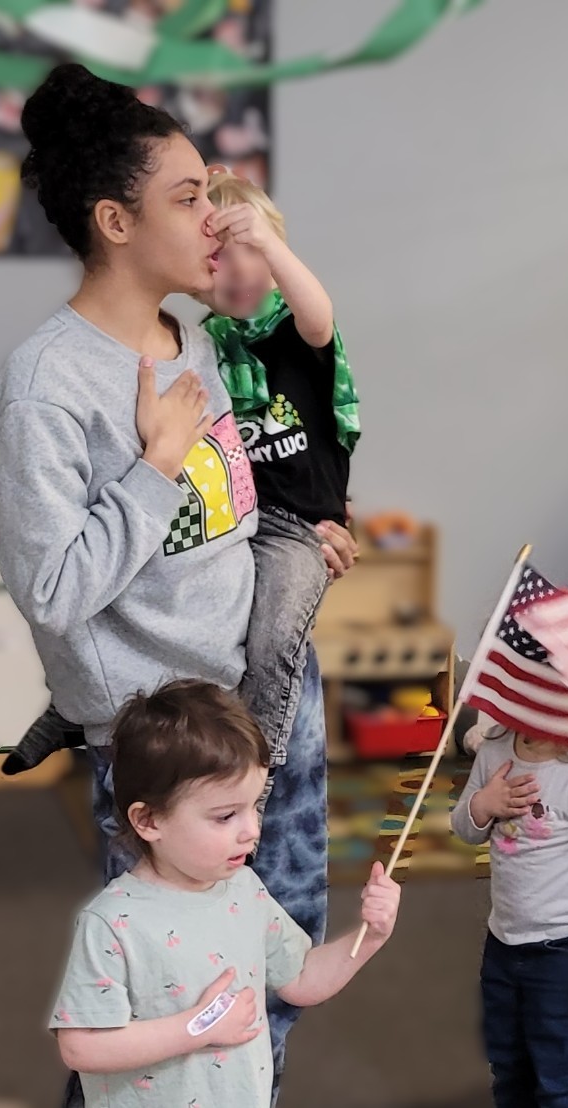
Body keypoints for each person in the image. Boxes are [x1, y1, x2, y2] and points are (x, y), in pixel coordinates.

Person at [0, 63, 357, 1105]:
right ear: (114, 218)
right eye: (187, 197)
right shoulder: (47, 380)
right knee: (161, 1001)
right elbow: (53, 587)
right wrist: (154, 465)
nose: (213, 218)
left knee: (271, 966)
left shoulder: (189, 337)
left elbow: (217, 515)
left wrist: (290, 529)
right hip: (174, 736)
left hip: (267, 697)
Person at [51, 681, 400, 1107]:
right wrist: (199, 1026)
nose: (252, 830)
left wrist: (370, 937)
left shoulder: (245, 890)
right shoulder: (113, 922)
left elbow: (301, 978)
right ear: (149, 821)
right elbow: (81, 1046)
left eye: (253, 806)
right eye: (225, 816)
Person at [201, 167, 360, 811]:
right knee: (226, 644)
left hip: (304, 529)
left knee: (272, 643)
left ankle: (251, 782)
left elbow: (319, 313)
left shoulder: (294, 329)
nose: (237, 270)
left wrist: (266, 241)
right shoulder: (204, 345)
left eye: (254, 253)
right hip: (241, 520)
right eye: (217, 256)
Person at [450, 602, 568, 1108]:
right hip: (504, 940)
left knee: (562, 1073)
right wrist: (482, 807)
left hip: (567, 950)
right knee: (508, 1062)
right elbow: (464, 831)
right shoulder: (495, 749)